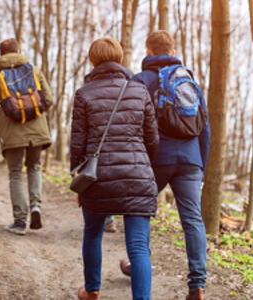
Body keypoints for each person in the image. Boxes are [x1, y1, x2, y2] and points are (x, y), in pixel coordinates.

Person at [121, 30, 211, 300]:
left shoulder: (140, 80)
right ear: (172, 51)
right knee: (193, 219)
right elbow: (204, 127)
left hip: (155, 159)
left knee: (139, 211)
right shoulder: (187, 79)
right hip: (190, 160)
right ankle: (197, 283)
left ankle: (137, 264)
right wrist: (201, 166)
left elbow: (131, 125)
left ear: (148, 50)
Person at [71, 37, 159, 300]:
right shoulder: (139, 91)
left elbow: (78, 144)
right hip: (138, 177)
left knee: (93, 232)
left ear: (93, 60)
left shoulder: (84, 94)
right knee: (139, 247)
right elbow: (152, 139)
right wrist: (142, 165)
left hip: (98, 178)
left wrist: (78, 178)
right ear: (120, 59)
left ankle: (92, 290)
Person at [0, 38, 53, 235]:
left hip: (11, 131)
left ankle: (20, 221)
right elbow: (48, 98)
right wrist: (35, 112)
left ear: (1, 54)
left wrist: (6, 116)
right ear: (18, 50)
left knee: (15, 173)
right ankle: (36, 206)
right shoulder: (33, 69)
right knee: (34, 167)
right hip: (37, 129)